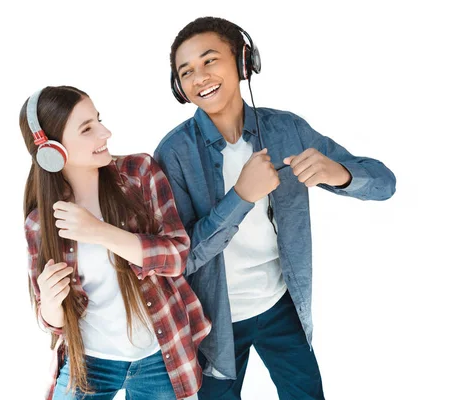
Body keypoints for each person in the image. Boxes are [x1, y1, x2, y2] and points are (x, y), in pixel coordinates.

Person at [154, 17, 397, 400]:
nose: (200, 77)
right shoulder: (173, 154)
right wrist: (241, 196)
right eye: (186, 72)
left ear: (244, 61)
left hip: (281, 304)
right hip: (213, 322)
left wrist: (341, 174)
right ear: (178, 87)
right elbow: (181, 258)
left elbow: (385, 184)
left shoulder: (288, 130)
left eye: (210, 60)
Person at [20, 86, 211, 400]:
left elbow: (177, 256)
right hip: (90, 362)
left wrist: (100, 232)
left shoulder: (139, 174)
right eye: (87, 129)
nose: (105, 132)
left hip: (159, 356)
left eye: (98, 120)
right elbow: (54, 323)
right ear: (52, 151)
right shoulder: (40, 224)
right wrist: (52, 304)